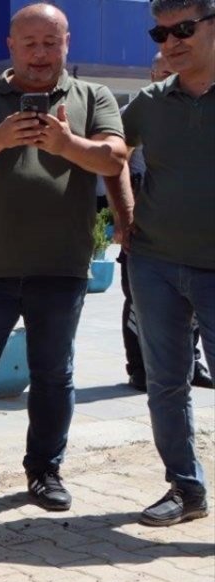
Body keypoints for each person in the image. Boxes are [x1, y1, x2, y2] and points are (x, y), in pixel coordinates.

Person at [0, 2, 127, 512]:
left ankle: (44, 472)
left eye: (51, 42)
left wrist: (68, 142)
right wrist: (1, 137)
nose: (40, 53)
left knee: (54, 374)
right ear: (10, 46)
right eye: (29, 43)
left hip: (60, 266)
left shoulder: (92, 96)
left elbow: (115, 158)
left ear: (67, 43)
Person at [114, 0, 215, 527]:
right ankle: (186, 489)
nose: (170, 41)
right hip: (154, 263)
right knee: (166, 384)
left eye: (183, 28)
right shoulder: (149, 102)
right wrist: (124, 213)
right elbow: (111, 155)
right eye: (160, 32)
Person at [113, 52, 211, 392]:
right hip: (147, 233)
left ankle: (192, 362)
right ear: (152, 73)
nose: (169, 75)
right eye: (163, 71)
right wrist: (125, 211)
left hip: (196, 244)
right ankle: (138, 368)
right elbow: (116, 160)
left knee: (192, 313)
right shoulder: (142, 109)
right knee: (138, 310)